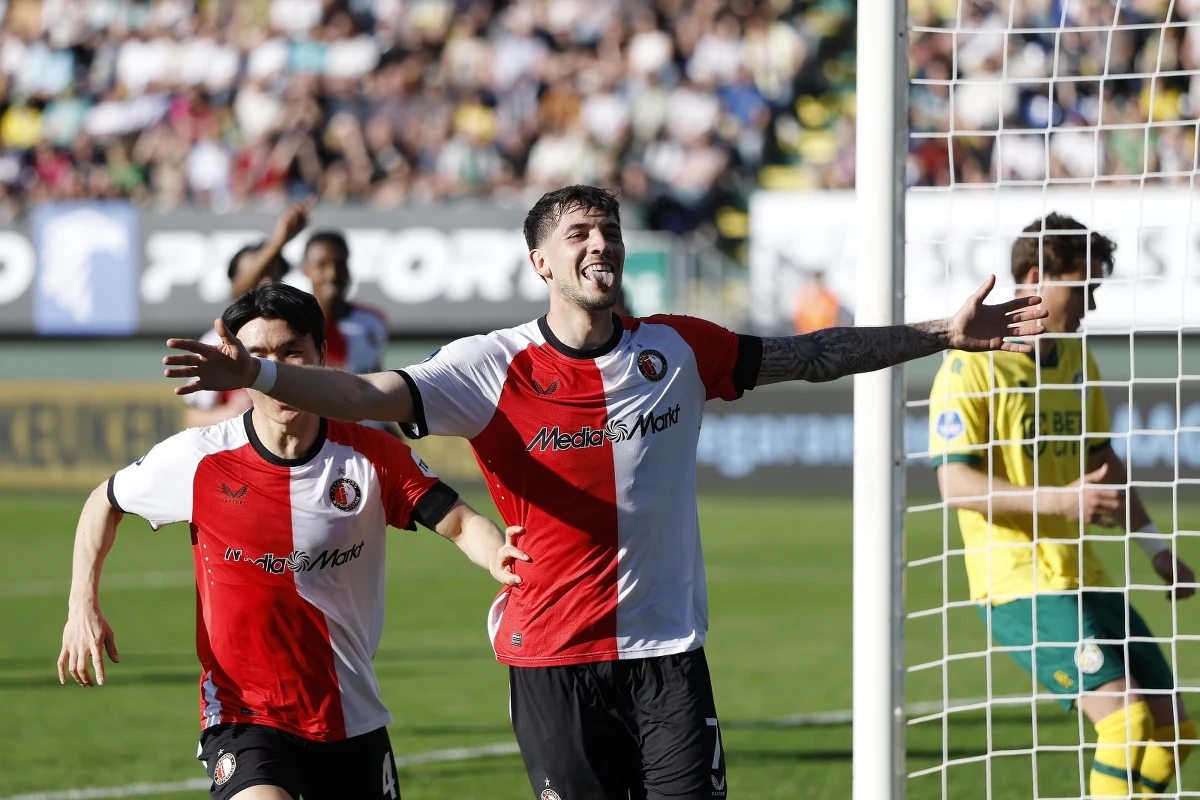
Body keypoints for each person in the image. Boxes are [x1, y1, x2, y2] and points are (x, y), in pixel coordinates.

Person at [164, 184, 1047, 800]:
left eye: (611, 232)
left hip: (668, 657)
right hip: (551, 662)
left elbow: (809, 358)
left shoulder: (678, 347)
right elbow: (367, 396)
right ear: (540, 260)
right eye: (580, 232)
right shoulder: (489, 365)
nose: (601, 244)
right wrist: (267, 373)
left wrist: (940, 333)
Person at [61, 283, 529, 800]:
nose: (274, 371)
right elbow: (102, 502)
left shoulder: (371, 454)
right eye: (256, 356)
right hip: (243, 715)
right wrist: (82, 604)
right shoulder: (198, 459)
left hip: (351, 712)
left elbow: (459, 521)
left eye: (291, 354)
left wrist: (499, 556)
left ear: (322, 358)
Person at [928, 213, 1197, 797]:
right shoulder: (971, 364)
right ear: (1035, 277)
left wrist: (1154, 549)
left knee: (1177, 732)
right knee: (1125, 723)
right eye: (1084, 288)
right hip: (1017, 581)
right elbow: (956, 486)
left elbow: (1105, 464)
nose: (1092, 306)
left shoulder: (1078, 363)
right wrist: (1061, 502)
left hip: (1083, 573)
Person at [183, 198, 314, 428]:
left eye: (271, 273)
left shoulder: (304, 335)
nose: (265, 284)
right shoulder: (215, 342)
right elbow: (192, 418)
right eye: (256, 273)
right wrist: (232, 414)